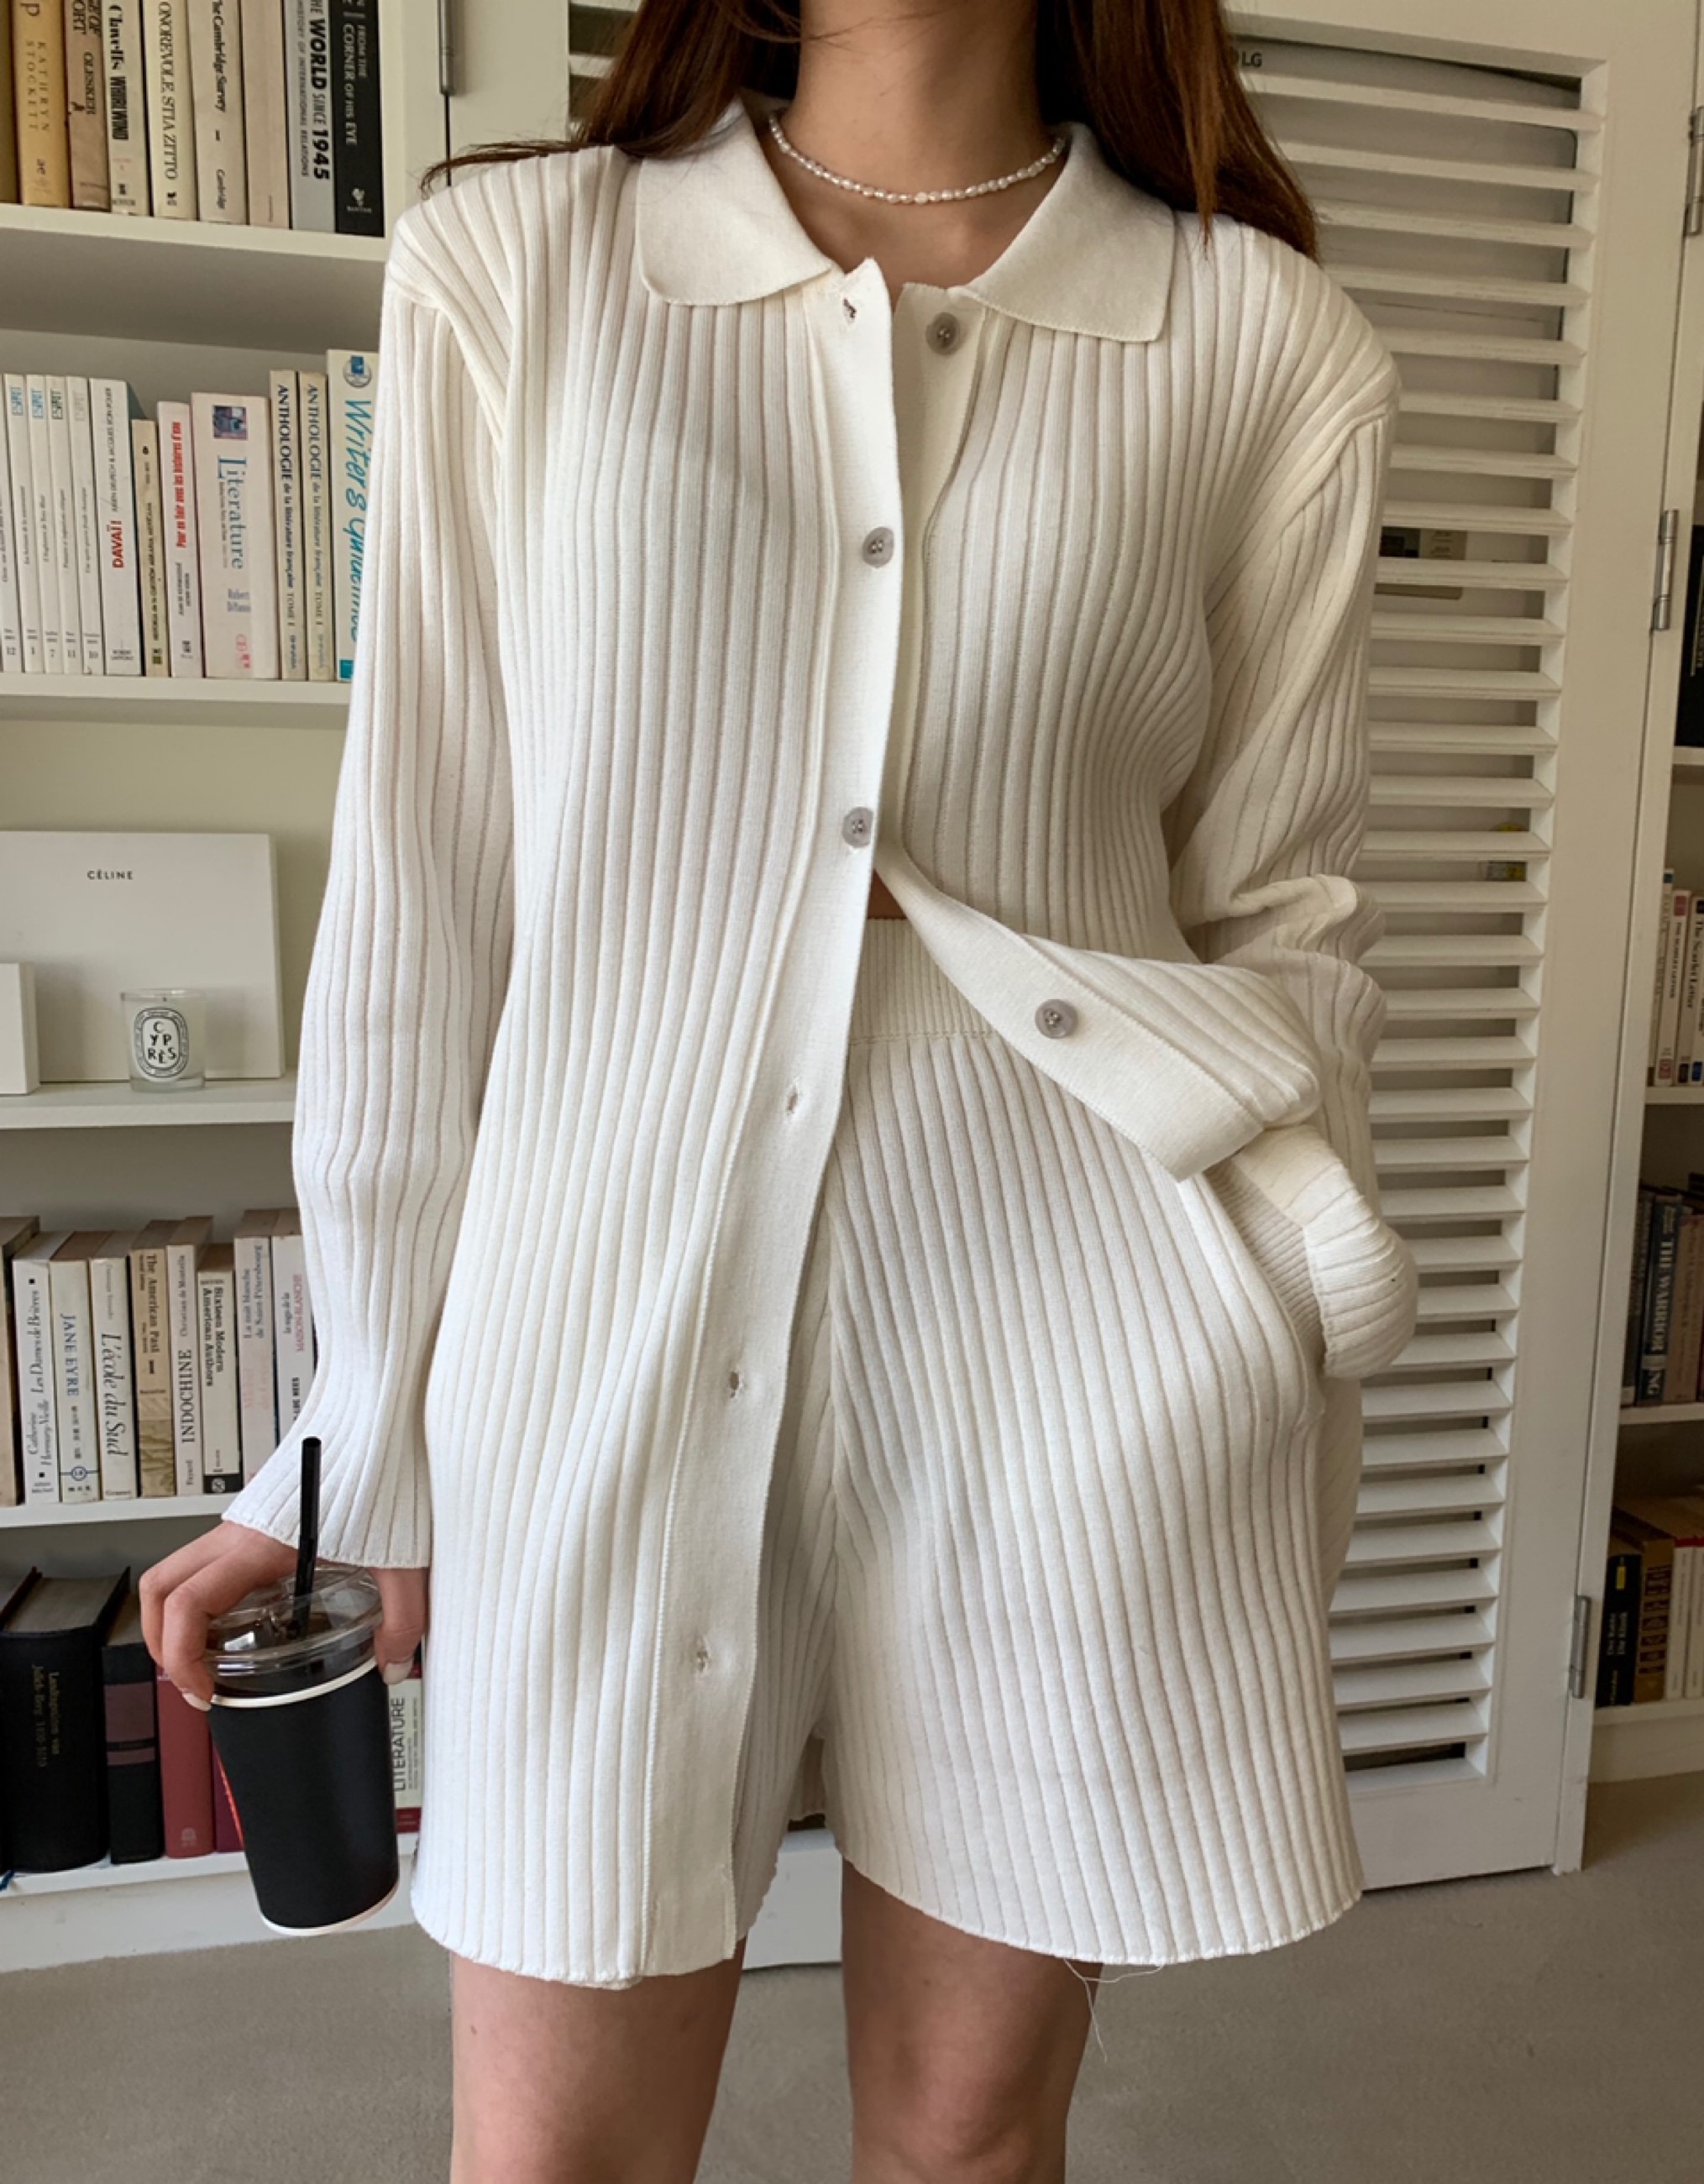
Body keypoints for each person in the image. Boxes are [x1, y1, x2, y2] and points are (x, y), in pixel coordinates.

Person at [141, 1, 1420, 2176]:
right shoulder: (521, 265)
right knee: (555, 2158)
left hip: (1070, 1347)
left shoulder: (1259, 343)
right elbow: (426, 893)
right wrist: (362, 1431)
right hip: (595, 1340)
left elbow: (1287, 923)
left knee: (965, 2140)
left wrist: (1274, 1332)